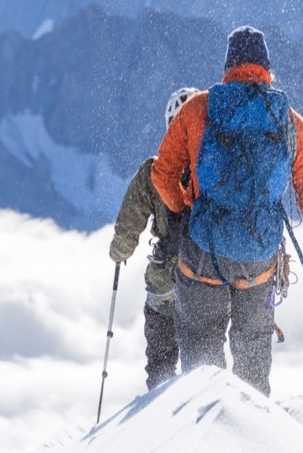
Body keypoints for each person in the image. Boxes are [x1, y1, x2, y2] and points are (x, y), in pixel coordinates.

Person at [151, 26, 303, 396]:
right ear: (266, 68)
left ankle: (203, 431)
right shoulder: (289, 122)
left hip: (203, 255)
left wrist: (188, 208)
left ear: (228, 65)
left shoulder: (199, 108)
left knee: (201, 358)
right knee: (253, 352)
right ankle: (253, 433)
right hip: (259, 259)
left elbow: (161, 174)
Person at [108, 87, 199, 391]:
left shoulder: (153, 171)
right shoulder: (211, 168)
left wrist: (119, 252)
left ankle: (158, 417)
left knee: (160, 362)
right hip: (206, 278)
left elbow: (130, 218)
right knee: (202, 361)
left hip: (166, 282)